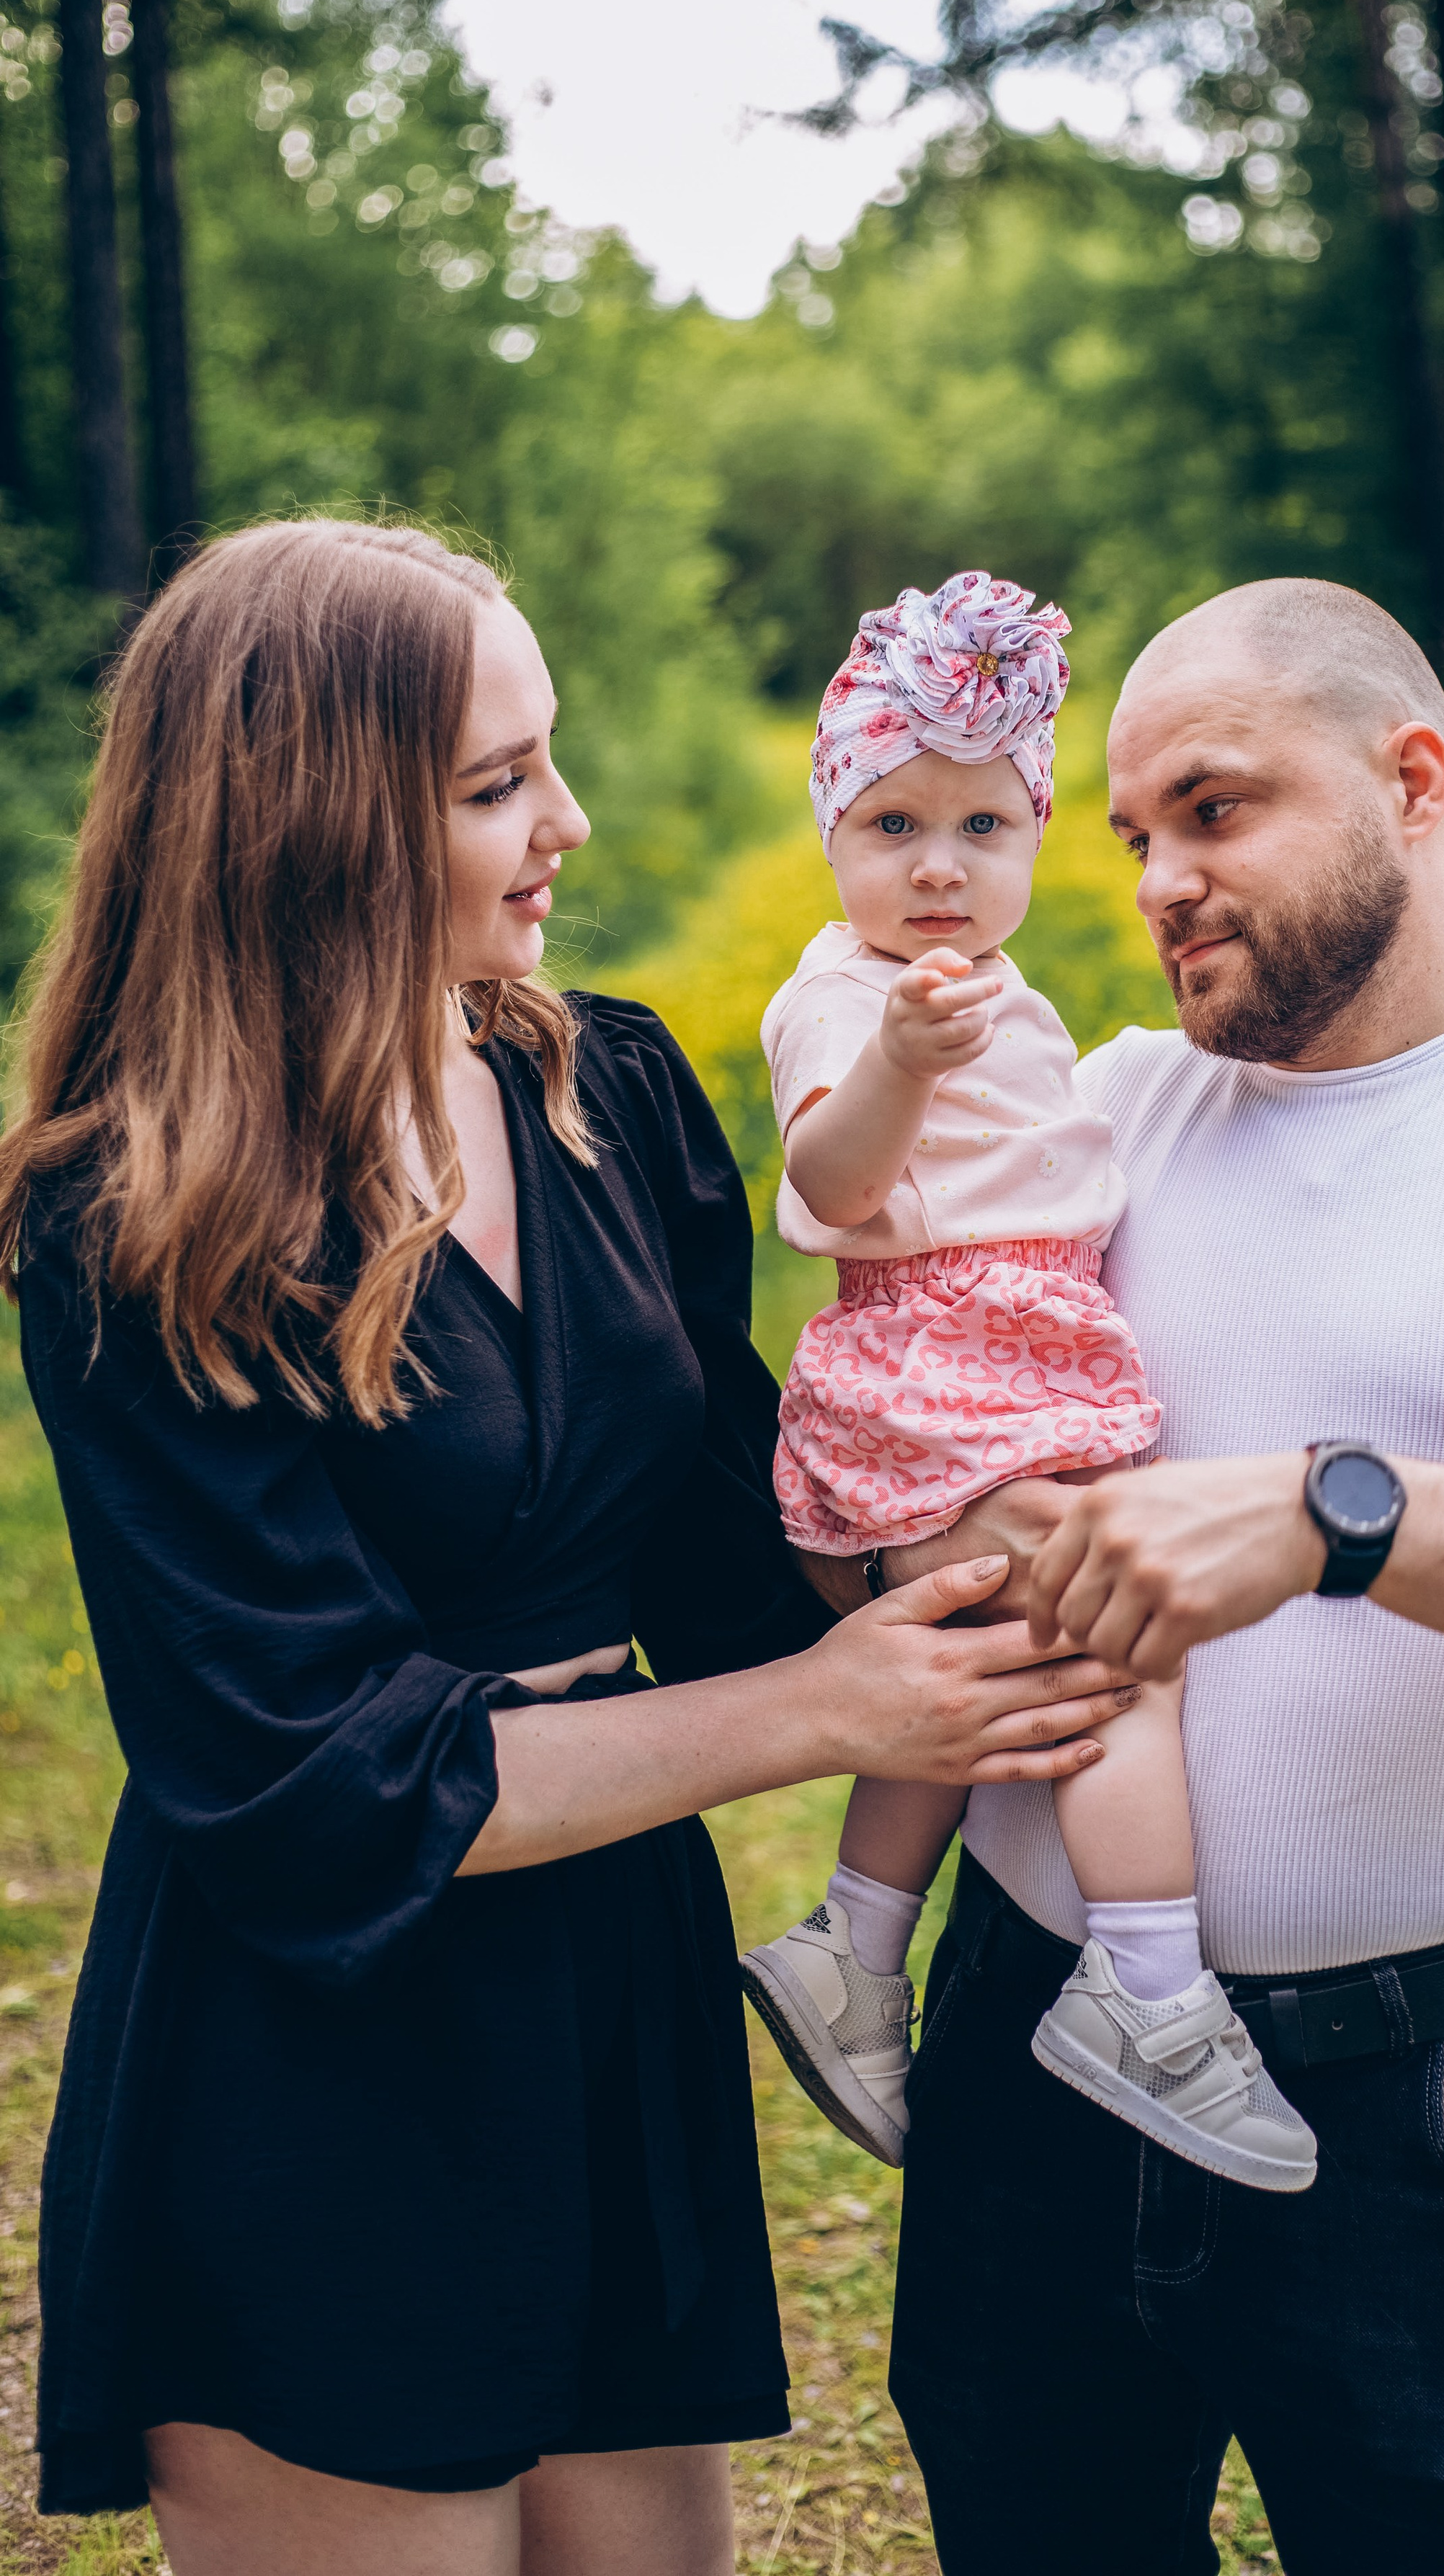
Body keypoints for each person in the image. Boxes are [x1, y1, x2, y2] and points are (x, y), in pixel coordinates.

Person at [0, 519, 1142, 2576]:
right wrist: (827, 1707)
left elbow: (727, 1544)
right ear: (314, 823)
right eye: (495, 783)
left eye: (551, 758)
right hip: (321, 2042)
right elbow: (312, 1783)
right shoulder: (129, 1218)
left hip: (608, 1981)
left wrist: (1023, 1525)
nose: (571, 823)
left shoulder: (598, 1080)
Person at [842, 578, 1444, 2576]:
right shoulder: (1093, 1110)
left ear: (1415, 780)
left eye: (1216, 811)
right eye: (1131, 838)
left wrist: (1336, 1516)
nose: (1161, 884)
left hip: (1411, 2107)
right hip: (1028, 2044)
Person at [741, 571, 1316, 2193]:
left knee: (996, 1657)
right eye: (893, 826)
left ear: (1032, 840)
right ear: (834, 838)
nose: (937, 867)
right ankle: (1143, 1984)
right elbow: (833, 1190)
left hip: (1018, 1361)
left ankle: (850, 1946)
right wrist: (900, 1069)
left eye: (983, 829)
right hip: (928, 1364)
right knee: (1116, 1642)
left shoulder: (1023, 999)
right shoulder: (843, 997)